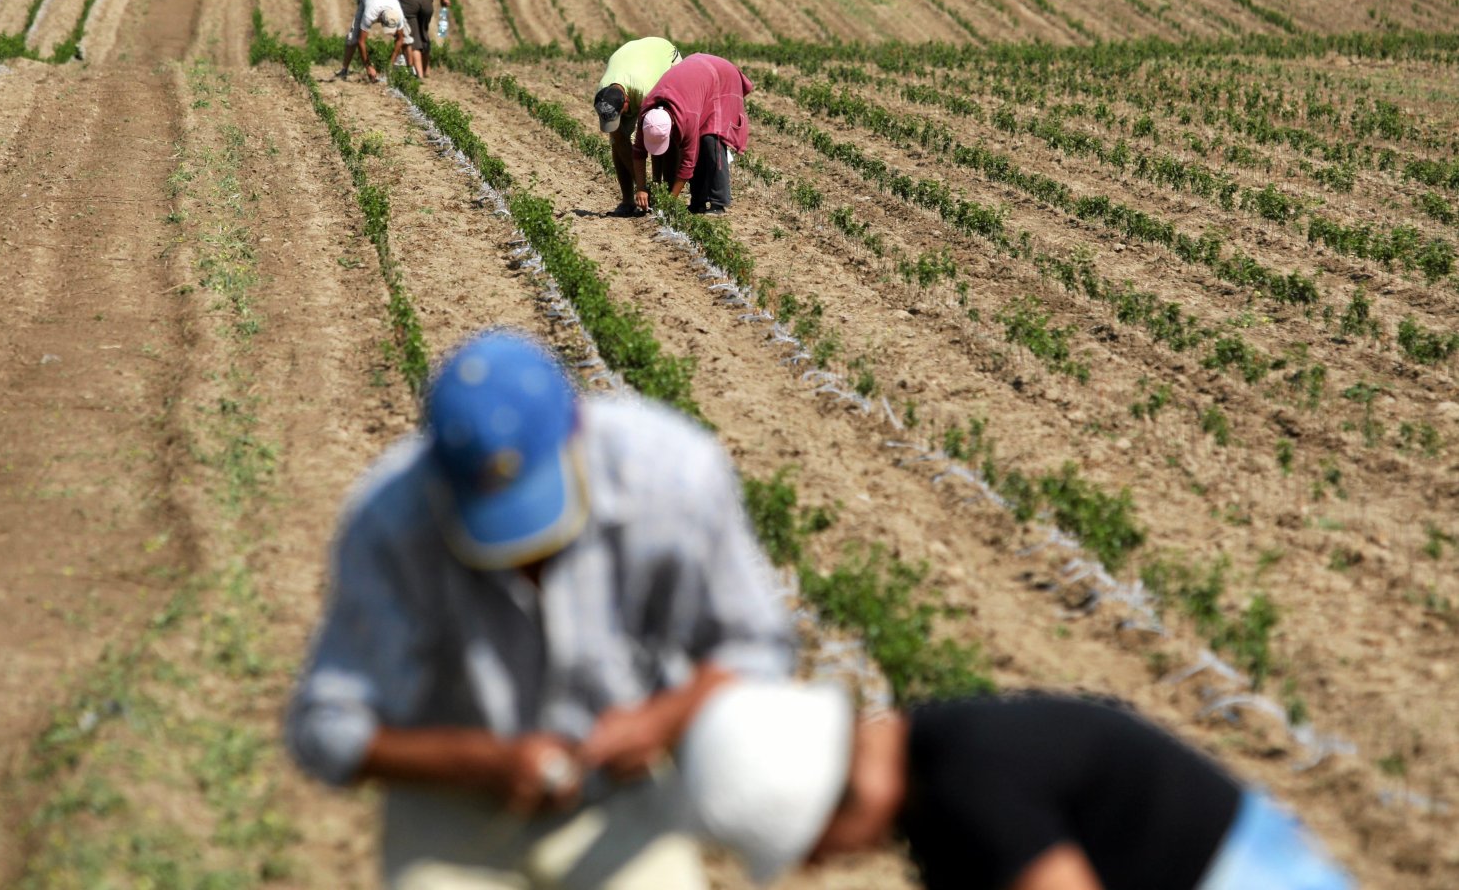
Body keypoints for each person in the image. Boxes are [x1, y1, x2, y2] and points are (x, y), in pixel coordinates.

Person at [287, 329, 795, 890]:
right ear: (439, 475)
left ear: (577, 433)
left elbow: (756, 645)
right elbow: (327, 726)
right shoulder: (391, 524)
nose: (525, 559)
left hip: (620, 803)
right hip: (452, 810)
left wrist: (659, 723)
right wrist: (485, 763)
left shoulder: (673, 480)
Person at [680, 684, 1356, 890]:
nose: (815, 863)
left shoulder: (965, 784)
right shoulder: (940, 752)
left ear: (837, 796)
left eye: (810, 843)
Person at [632, 53, 753, 216]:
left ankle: (718, 202)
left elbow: (688, 162)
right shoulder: (647, 115)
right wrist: (641, 188)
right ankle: (698, 202)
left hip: (721, 76)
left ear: (671, 126)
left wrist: (670, 201)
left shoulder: (687, 117)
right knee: (701, 141)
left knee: (711, 139)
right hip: (696, 79)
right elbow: (638, 152)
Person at [593, 37, 681, 217]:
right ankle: (627, 200)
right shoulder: (603, 95)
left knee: (660, 131)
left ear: (626, 101)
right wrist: (641, 186)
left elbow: (657, 136)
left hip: (666, 58)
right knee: (616, 142)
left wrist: (653, 185)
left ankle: (665, 193)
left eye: (620, 114)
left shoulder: (646, 90)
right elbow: (620, 141)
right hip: (631, 56)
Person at [338, 0, 410, 83]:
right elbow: (361, 41)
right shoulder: (370, 13)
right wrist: (368, 67)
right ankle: (344, 70)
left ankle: (408, 68)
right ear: (380, 19)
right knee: (353, 36)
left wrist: (390, 64)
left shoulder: (398, 15)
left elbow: (400, 39)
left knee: (407, 37)